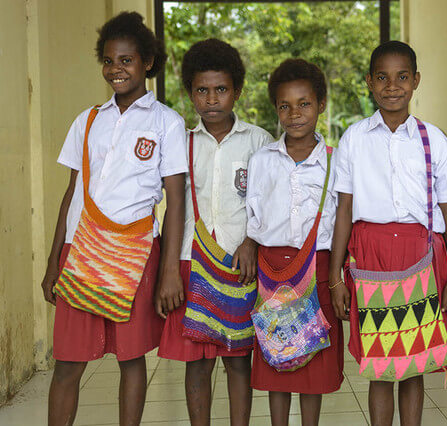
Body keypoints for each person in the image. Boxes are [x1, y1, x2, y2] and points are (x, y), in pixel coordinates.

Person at [40, 11, 187, 425]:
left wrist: (169, 270)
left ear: (147, 63)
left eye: (126, 60)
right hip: (80, 251)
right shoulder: (87, 121)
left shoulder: (166, 123)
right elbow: (72, 194)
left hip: (135, 255)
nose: (116, 69)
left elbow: (175, 202)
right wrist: (55, 261)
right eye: (109, 60)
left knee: (131, 358)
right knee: (68, 362)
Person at [329, 41, 447, 426]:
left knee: (415, 361)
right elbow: (343, 210)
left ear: (416, 81)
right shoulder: (354, 139)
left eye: (402, 77)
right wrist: (334, 276)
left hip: (420, 256)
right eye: (383, 78)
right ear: (370, 83)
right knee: (380, 363)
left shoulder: (434, 140)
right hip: (369, 255)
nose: (393, 86)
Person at [157, 38, 272, 426]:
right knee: (197, 364)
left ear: (236, 90)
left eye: (220, 89)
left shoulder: (259, 142)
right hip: (192, 264)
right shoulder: (181, 144)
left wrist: (252, 242)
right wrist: (168, 269)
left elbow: (268, 204)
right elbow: (173, 208)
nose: (211, 99)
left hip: (241, 266)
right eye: (202, 90)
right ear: (190, 92)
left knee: (239, 361)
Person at [246, 58, 344, 426]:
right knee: (277, 357)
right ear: (276, 109)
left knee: (312, 367)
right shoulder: (262, 160)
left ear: (320, 105)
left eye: (304, 103)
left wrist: (337, 279)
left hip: (318, 268)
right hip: (273, 270)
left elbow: (341, 222)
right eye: (285, 106)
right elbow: (253, 217)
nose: (295, 113)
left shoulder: (336, 162)